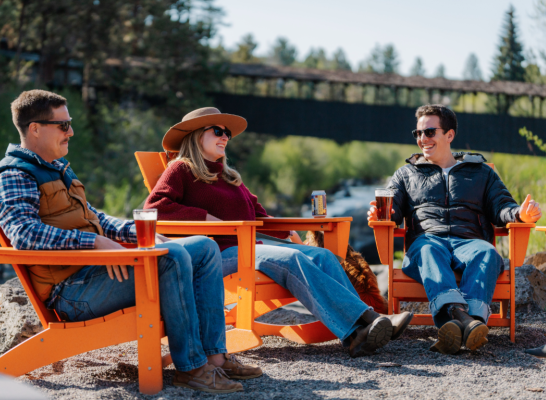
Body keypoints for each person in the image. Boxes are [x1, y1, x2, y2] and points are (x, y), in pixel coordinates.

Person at [0, 90, 261, 394]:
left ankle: (215, 358)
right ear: (35, 128)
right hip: (72, 290)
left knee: (204, 247)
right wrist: (95, 244)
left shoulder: (55, 168)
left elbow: (97, 219)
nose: (71, 132)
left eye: (70, 123)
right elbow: (24, 234)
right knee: (170, 257)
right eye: (63, 125)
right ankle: (192, 367)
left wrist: (147, 235)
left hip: (93, 274)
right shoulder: (15, 174)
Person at [144, 107, 413, 358]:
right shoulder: (181, 169)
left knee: (322, 257)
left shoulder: (230, 177)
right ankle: (371, 319)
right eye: (218, 131)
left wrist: (290, 234)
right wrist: (207, 218)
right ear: (195, 135)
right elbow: (155, 206)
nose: (225, 137)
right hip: (217, 255)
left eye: (227, 133)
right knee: (291, 260)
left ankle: (356, 335)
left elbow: (259, 213)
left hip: (251, 249)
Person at [367, 104, 542, 355]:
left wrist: (520, 214)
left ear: (449, 135)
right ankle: (467, 320)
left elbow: (503, 206)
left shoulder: (481, 172)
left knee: (488, 253)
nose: (422, 140)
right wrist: (379, 214)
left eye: (429, 132)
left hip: (469, 242)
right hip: (427, 242)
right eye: (417, 134)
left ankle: (458, 324)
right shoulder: (406, 174)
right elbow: (390, 206)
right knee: (428, 249)